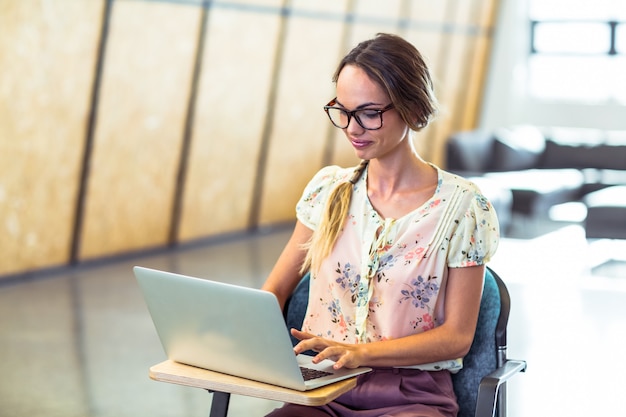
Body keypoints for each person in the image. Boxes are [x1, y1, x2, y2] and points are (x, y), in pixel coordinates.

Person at [262, 33, 499, 417]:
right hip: (320, 390)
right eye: (343, 111)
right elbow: (273, 291)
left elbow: (457, 338)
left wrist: (360, 354)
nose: (352, 128)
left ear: (410, 106)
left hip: (410, 396)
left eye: (369, 113)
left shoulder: (464, 207)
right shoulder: (328, 190)